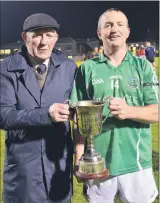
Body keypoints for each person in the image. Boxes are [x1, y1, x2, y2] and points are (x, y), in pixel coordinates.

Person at [71, 8, 159, 203]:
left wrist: (128, 111)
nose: (114, 29)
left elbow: (157, 112)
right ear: (99, 33)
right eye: (108, 25)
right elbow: (78, 119)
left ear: (127, 32)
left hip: (136, 164)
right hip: (97, 165)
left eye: (120, 24)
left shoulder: (143, 66)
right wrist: (78, 158)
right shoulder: (86, 69)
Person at [0, 13, 77, 203]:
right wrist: (47, 114)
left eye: (49, 35)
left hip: (58, 167)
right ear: (24, 37)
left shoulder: (69, 68)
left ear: (56, 38)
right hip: (23, 172)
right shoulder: (6, 69)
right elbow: (4, 116)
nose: (43, 42)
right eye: (36, 35)